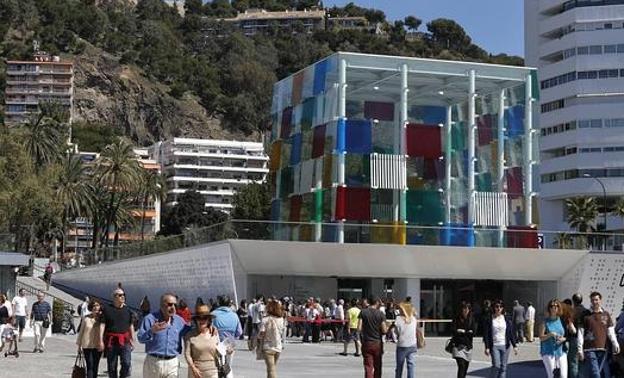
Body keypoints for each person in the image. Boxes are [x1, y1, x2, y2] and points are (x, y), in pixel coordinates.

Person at [138, 293, 190, 378]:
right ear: (162, 305)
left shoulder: (179, 320)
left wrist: (210, 327)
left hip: (172, 362)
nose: (173, 307)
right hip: (154, 362)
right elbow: (140, 338)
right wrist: (151, 331)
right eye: (169, 304)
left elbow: (191, 332)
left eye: (175, 305)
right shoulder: (150, 319)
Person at [576, 291, 620, 378]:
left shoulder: (605, 314)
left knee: (597, 372)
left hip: (602, 349)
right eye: (592, 300)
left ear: (600, 300)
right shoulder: (585, 315)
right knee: (596, 373)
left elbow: (610, 332)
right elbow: (580, 333)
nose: (594, 302)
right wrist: (580, 349)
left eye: (596, 300)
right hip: (589, 349)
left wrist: (615, 344)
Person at [98, 287, 135, 378]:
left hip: (125, 341)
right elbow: (102, 325)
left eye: (123, 295)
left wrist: (132, 339)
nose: (122, 297)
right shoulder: (107, 309)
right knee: (112, 366)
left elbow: (130, 325)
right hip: (112, 342)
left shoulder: (128, 310)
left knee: (126, 363)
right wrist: (100, 341)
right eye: (119, 295)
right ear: (114, 297)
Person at [184, 304, 220, 378]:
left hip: (213, 372)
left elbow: (220, 351)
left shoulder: (214, 333)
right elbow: (187, 354)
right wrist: (193, 368)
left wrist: (228, 350)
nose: (202, 320)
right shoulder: (190, 335)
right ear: (195, 320)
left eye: (205, 318)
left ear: (208, 320)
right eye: (199, 318)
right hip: (196, 372)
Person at [484, 299, 518, 378]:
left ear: (503, 308)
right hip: (494, 345)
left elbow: (510, 332)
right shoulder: (489, 319)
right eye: (497, 306)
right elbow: (486, 334)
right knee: (496, 366)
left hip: (505, 346)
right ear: (494, 308)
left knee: (503, 368)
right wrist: (487, 347)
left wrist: (514, 345)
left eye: (501, 306)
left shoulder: (506, 318)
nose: (499, 308)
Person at [211, 296, 242, 377]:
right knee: (228, 367)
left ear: (219, 303)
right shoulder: (234, 315)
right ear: (229, 304)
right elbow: (239, 332)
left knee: (216, 368)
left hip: (216, 344)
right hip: (229, 344)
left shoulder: (213, 314)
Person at [358, 297, 387, 378]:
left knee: (368, 366)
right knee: (378, 366)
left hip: (367, 342)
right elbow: (384, 330)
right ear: (377, 302)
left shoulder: (363, 312)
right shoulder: (380, 313)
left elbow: (359, 328)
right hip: (377, 342)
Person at [539, 299, 568, 378]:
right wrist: (550, 334)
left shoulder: (562, 320)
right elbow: (541, 338)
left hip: (561, 351)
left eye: (556, 306)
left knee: (563, 375)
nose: (554, 308)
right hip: (548, 351)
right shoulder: (545, 322)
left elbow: (567, 335)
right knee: (551, 375)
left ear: (559, 308)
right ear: (549, 308)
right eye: (552, 306)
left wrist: (563, 339)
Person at [258, 300, 286, 378]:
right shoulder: (281, 319)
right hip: (278, 346)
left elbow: (262, 333)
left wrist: (258, 338)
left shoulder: (265, 319)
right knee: (272, 368)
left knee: (271, 369)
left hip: (268, 347)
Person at [77, 299, 103, 378]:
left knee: (95, 366)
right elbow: (81, 332)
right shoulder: (86, 318)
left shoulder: (102, 319)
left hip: (97, 345)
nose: (95, 307)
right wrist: (79, 346)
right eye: (94, 305)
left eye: (97, 305)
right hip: (87, 345)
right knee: (90, 365)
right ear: (91, 307)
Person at [451, 302, 475, 378]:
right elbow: (453, 330)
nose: (466, 310)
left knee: (465, 368)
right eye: (464, 308)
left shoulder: (471, 319)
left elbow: (473, 332)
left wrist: (464, 332)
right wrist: (461, 332)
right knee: (461, 366)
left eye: (468, 308)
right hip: (458, 346)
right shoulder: (457, 318)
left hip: (467, 346)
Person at [394, 301, 417, 378]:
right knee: (411, 365)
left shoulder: (398, 319)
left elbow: (396, 332)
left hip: (402, 345)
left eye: (400, 309)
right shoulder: (413, 319)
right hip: (413, 344)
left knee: (399, 366)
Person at [569, 293, 588, 378]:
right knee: (583, 361)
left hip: (574, 339)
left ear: (573, 301)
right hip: (586, 339)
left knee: (573, 362)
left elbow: (569, 327)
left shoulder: (572, 312)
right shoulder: (587, 311)